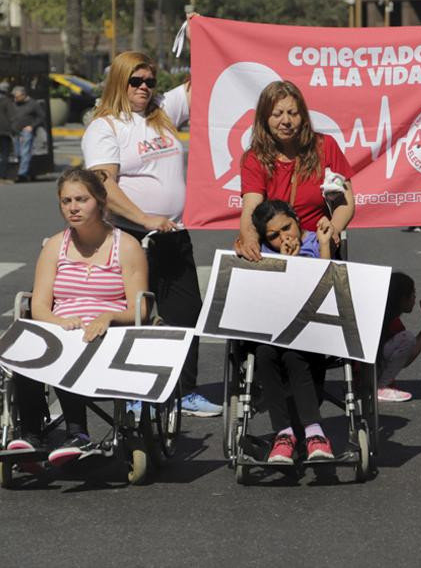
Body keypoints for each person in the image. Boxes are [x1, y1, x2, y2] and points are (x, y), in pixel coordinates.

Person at [81, 52, 222, 417]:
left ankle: (185, 391)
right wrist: (144, 217)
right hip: (130, 235)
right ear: (119, 83)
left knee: (187, 312)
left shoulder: (161, 111)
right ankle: (134, 392)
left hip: (173, 232)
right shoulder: (105, 127)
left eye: (149, 81)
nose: (144, 88)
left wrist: (198, 36)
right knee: (136, 315)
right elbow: (103, 183)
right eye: (136, 81)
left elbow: (200, 82)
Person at [7, 168, 148, 465]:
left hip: (107, 331)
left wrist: (109, 316)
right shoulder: (56, 245)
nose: (73, 207)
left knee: (73, 349)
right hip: (61, 329)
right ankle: (31, 434)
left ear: (99, 200)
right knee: (25, 353)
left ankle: (78, 433)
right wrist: (60, 324)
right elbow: (40, 305)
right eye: (66, 201)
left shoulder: (127, 246)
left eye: (81, 199)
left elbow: (140, 308)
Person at [248, 199, 337, 464]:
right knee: (264, 354)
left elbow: (328, 285)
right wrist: (283, 261)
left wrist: (320, 247)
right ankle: (284, 433)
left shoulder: (316, 242)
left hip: (311, 329)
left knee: (294, 355)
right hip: (274, 329)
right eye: (273, 235)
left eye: (287, 227)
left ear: (296, 219)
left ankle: (313, 432)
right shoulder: (263, 252)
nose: (283, 237)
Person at [234, 80, 355, 262]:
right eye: (277, 114)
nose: (286, 121)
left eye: (293, 113)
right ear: (264, 119)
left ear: (303, 116)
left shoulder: (326, 146)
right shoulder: (253, 158)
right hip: (275, 250)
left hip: (317, 245)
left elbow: (345, 203)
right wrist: (250, 240)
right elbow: (251, 209)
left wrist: (332, 231)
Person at [376, 272, 421, 402]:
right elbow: (405, 360)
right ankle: (381, 386)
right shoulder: (393, 323)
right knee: (407, 339)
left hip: (362, 373)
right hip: (367, 372)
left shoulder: (382, 313)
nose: (415, 297)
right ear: (402, 299)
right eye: (412, 293)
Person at [10, 85, 45, 183]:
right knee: (17, 153)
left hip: (26, 131)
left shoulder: (33, 104)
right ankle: (19, 171)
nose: (15, 99)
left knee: (25, 152)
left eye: (17, 96)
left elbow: (41, 116)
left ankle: (22, 174)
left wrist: (32, 126)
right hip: (15, 131)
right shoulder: (15, 104)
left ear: (23, 95)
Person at [0, 81, 12, 183]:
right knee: (4, 154)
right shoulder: (7, 101)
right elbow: (13, 116)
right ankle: (2, 176)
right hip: (4, 131)